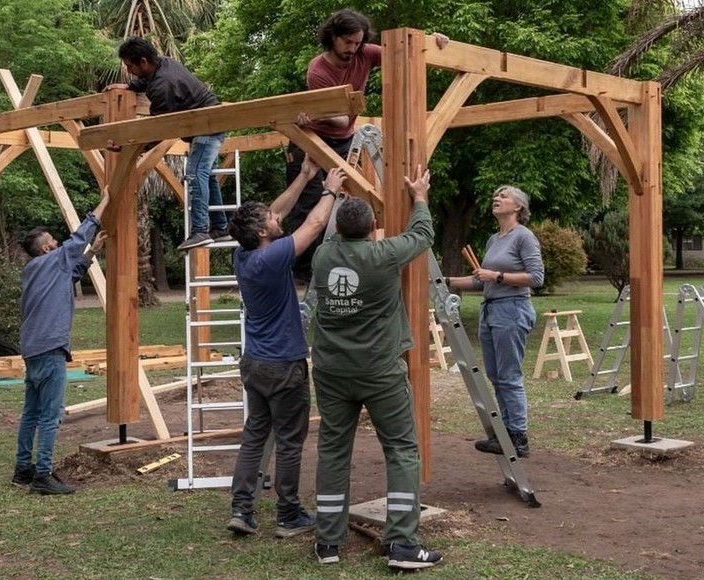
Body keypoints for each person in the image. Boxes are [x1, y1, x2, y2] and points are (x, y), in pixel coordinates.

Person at [310, 165, 443, 570]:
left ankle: (328, 543)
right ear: (373, 228)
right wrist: (419, 196)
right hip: (379, 371)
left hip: (332, 371)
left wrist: (331, 192)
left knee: (333, 451)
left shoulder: (323, 256)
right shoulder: (383, 256)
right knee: (402, 449)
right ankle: (402, 543)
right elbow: (422, 235)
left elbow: (328, 228)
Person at [225, 156, 346, 537]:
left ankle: (241, 510)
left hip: (256, 363)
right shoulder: (272, 257)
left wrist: (305, 176)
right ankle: (288, 514)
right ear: (263, 233)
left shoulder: (244, 254)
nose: (278, 220)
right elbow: (315, 224)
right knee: (290, 441)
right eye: (272, 223)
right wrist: (330, 189)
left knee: (255, 434)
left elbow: (275, 211)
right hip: (284, 365)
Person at [287, 9, 447, 283]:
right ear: (333, 38)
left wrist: (431, 41)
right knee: (308, 201)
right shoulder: (319, 70)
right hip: (312, 139)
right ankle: (300, 270)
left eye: (358, 42)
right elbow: (338, 119)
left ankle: (349, 259)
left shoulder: (365, 53)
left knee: (353, 203)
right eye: (348, 42)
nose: (353, 48)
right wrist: (318, 115)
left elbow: (402, 52)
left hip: (345, 138)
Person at [11, 187, 110, 495]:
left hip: (32, 348)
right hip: (51, 347)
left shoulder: (36, 268)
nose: (58, 245)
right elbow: (79, 235)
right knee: (51, 416)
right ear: (45, 249)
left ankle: (22, 469)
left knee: (31, 413)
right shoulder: (53, 259)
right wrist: (105, 199)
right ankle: (43, 476)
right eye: (54, 243)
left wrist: (92, 252)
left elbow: (72, 272)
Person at [445, 186, 544, 458]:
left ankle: (518, 437)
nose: (496, 199)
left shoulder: (524, 237)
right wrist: (447, 282)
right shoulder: (493, 239)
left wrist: (497, 275)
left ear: (518, 207)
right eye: (495, 197)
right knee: (496, 375)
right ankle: (505, 433)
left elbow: (536, 278)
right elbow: (480, 280)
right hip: (490, 310)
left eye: (503, 197)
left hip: (512, 310)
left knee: (509, 375)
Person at [105, 37, 228, 250]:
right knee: (207, 176)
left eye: (130, 66)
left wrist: (128, 147)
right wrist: (128, 86)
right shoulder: (165, 64)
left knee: (195, 173)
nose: (129, 71)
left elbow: (157, 131)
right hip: (209, 123)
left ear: (143, 61)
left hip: (207, 126)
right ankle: (220, 227)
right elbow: (146, 81)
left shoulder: (163, 86)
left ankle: (201, 230)